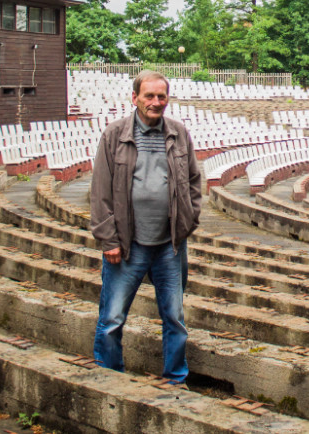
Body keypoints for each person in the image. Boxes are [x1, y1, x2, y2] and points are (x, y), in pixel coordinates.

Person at [90, 70, 202, 384]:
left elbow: (193, 181)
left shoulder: (179, 133)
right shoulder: (115, 134)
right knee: (111, 318)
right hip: (127, 245)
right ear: (135, 97)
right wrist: (108, 239)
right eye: (149, 96)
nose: (155, 102)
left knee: (174, 318)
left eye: (161, 96)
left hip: (169, 244)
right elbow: (100, 191)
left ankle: (175, 379)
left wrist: (188, 220)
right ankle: (111, 378)